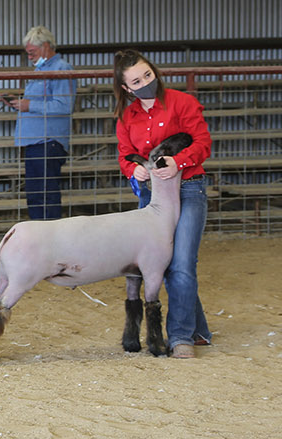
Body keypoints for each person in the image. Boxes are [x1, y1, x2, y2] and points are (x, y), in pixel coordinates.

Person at [113, 49, 213, 359]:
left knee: (181, 262)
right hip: (151, 196)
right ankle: (198, 330)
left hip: (189, 188)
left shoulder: (182, 103)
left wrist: (178, 162)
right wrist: (134, 169)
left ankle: (180, 336)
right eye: (136, 81)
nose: (145, 83)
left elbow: (203, 142)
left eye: (147, 75)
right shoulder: (126, 117)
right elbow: (124, 155)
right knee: (165, 264)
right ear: (126, 88)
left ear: (154, 72)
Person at [2, 26, 75, 220]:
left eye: (32, 53)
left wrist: (29, 105)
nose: (30, 57)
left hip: (47, 141)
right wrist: (19, 103)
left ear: (45, 46)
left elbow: (64, 106)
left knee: (45, 194)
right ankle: (40, 237)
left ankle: (50, 238)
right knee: (36, 194)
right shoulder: (41, 70)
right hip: (35, 141)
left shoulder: (61, 69)